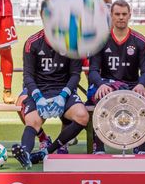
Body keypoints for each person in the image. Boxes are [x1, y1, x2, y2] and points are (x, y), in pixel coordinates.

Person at [11, 23, 88, 169]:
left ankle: (46, 151)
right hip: (40, 90)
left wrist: (63, 95)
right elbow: (28, 75)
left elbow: (75, 75)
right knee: (32, 121)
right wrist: (38, 96)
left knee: (82, 116)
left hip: (63, 90)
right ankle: (25, 155)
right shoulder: (32, 43)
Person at [88, 0, 145, 154]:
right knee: (103, 96)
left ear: (130, 15)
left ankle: (140, 146)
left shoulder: (140, 41)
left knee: (144, 99)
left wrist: (141, 84)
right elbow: (93, 70)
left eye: (124, 14)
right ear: (111, 16)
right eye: (117, 14)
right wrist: (101, 84)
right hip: (107, 85)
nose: (121, 17)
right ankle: (99, 147)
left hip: (131, 86)